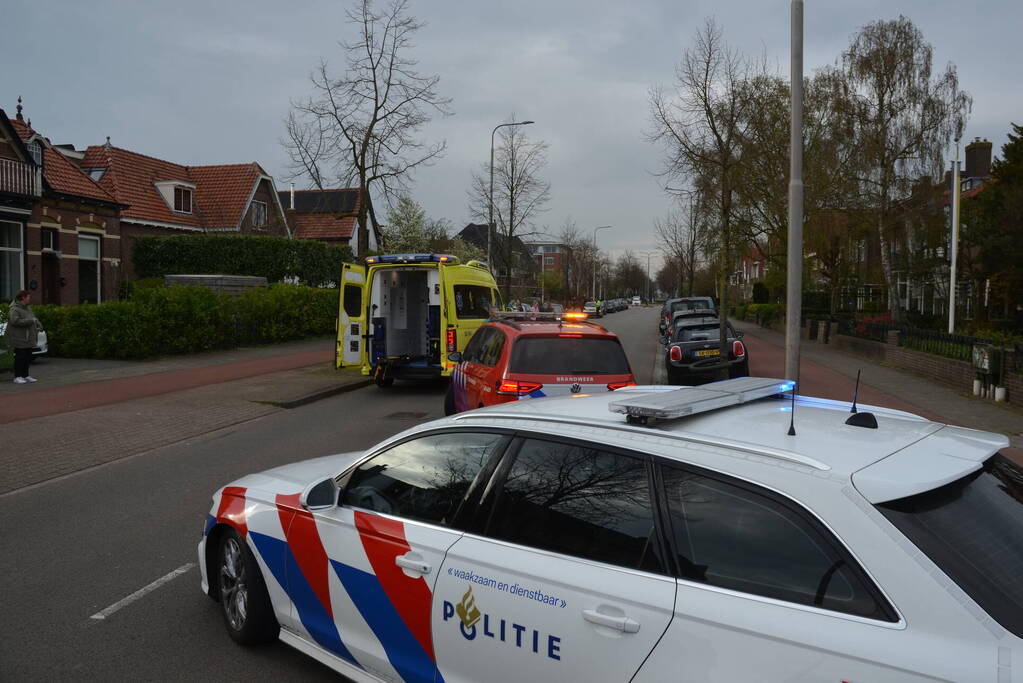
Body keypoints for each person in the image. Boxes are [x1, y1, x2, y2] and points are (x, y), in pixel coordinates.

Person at [4, 290, 40, 385]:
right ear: (23, 298)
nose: (29, 299)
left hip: (28, 339)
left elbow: (33, 318)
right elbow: (14, 321)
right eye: (28, 297)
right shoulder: (14, 309)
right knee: (20, 358)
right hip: (19, 338)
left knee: (27, 357)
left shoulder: (28, 308)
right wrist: (30, 321)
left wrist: (39, 325)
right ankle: (17, 377)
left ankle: (25, 375)